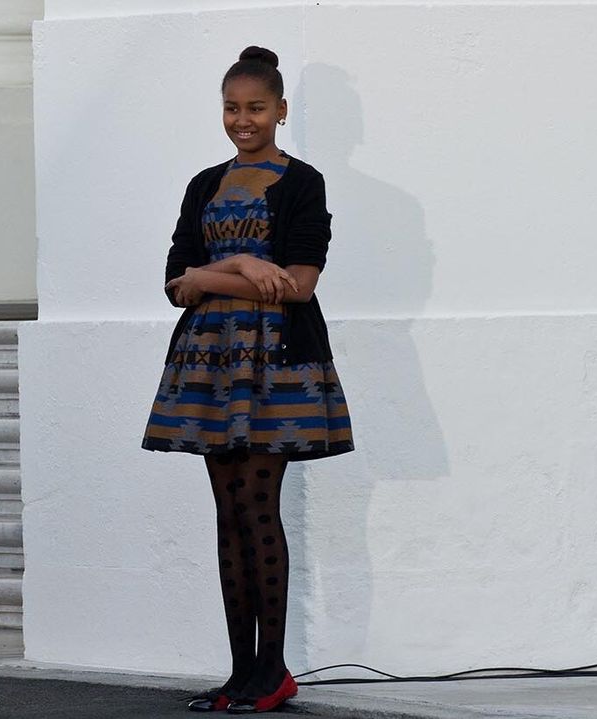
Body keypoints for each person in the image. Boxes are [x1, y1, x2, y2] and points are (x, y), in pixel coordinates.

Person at [141, 46, 353, 714]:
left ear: (281, 111)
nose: (242, 119)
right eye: (232, 107)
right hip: (208, 364)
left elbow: (299, 284)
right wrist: (228, 264)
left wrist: (211, 276)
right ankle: (241, 672)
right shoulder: (205, 183)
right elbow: (178, 280)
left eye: (256, 108)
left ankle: (274, 669)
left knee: (259, 508)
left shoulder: (304, 182)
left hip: (277, 365)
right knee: (227, 515)